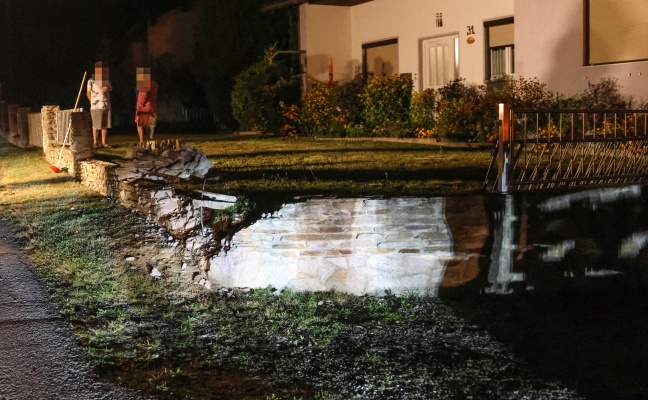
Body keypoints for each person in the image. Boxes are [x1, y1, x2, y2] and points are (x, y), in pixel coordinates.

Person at [86, 61, 112, 148]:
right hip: (96, 106)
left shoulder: (107, 81)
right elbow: (88, 93)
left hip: (106, 105)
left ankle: (104, 142)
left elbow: (108, 92)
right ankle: (95, 142)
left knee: (104, 125)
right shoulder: (91, 81)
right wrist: (93, 102)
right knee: (96, 125)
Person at [135, 67, 158, 143]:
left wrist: (139, 107)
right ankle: (149, 140)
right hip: (152, 107)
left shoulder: (144, 84)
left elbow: (143, 96)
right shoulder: (154, 84)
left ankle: (141, 141)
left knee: (140, 124)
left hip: (144, 108)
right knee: (149, 125)